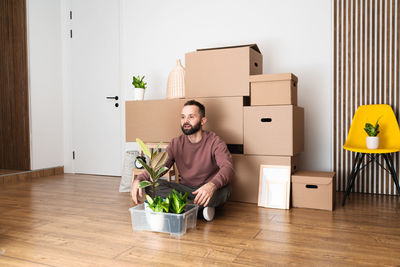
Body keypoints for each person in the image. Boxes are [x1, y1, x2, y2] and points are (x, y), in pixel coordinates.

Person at [131, 100, 234, 221]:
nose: (186, 121)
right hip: (185, 190)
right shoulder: (175, 143)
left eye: (191, 117)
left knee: (225, 190)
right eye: (183, 117)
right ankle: (200, 210)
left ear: (203, 121)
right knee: (151, 186)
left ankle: (180, 207)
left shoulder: (215, 141)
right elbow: (159, 168)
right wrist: (139, 179)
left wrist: (212, 185)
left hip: (208, 190)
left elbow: (228, 168)